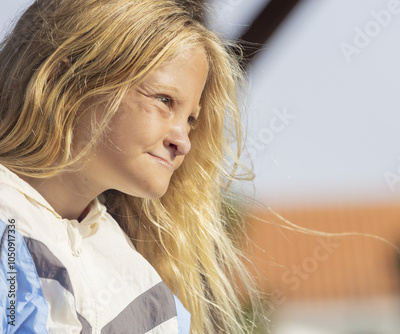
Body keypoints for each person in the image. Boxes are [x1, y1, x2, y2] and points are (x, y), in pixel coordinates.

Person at [0, 0, 260, 333]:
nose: (183, 140)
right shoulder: (12, 236)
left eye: (191, 119)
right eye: (164, 100)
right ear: (67, 80)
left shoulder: (142, 281)